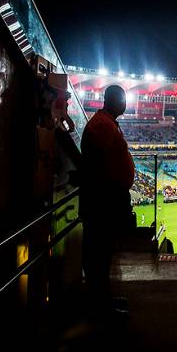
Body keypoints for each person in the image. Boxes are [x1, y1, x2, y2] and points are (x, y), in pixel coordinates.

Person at [78, 84, 135, 321]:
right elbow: (94, 163)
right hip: (104, 201)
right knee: (99, 256)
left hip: (105, 198)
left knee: (102, 255)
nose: (125, 104)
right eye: (122, 99)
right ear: (114, 101)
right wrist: (108, 191)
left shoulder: (106, 122)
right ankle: (100, 308)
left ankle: (103, 301)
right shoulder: (102, 125)